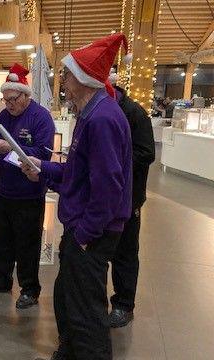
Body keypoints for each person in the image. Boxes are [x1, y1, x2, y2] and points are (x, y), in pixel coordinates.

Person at [21, 34, 133, 360]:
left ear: (83, 79)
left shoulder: (102, 119)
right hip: (84, 227)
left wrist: (85, 234)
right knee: (68, 299)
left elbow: (108, 187)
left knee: (86, 313)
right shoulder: (92, 114)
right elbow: (79, 172)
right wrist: (43, 168)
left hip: (91, 232)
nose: (63, 83)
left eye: (67, 76)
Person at [0, 64, 55, 309]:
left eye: (12, 99)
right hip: (5, 190)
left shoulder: (41, 117)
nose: (8, 104)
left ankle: (29, 289)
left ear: (25, 95)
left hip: (29, 192)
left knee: (27, 243)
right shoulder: (3, 116)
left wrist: (10, 148)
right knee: (2, 239)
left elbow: (44, 153)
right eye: (5, 99)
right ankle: (2, 279)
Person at [108, 74, 156, 328]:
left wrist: (114, 162)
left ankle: (124, 304)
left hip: (128, 197)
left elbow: (147, 153)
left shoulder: (135, 113)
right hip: (105, 196)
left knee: (125, 252)